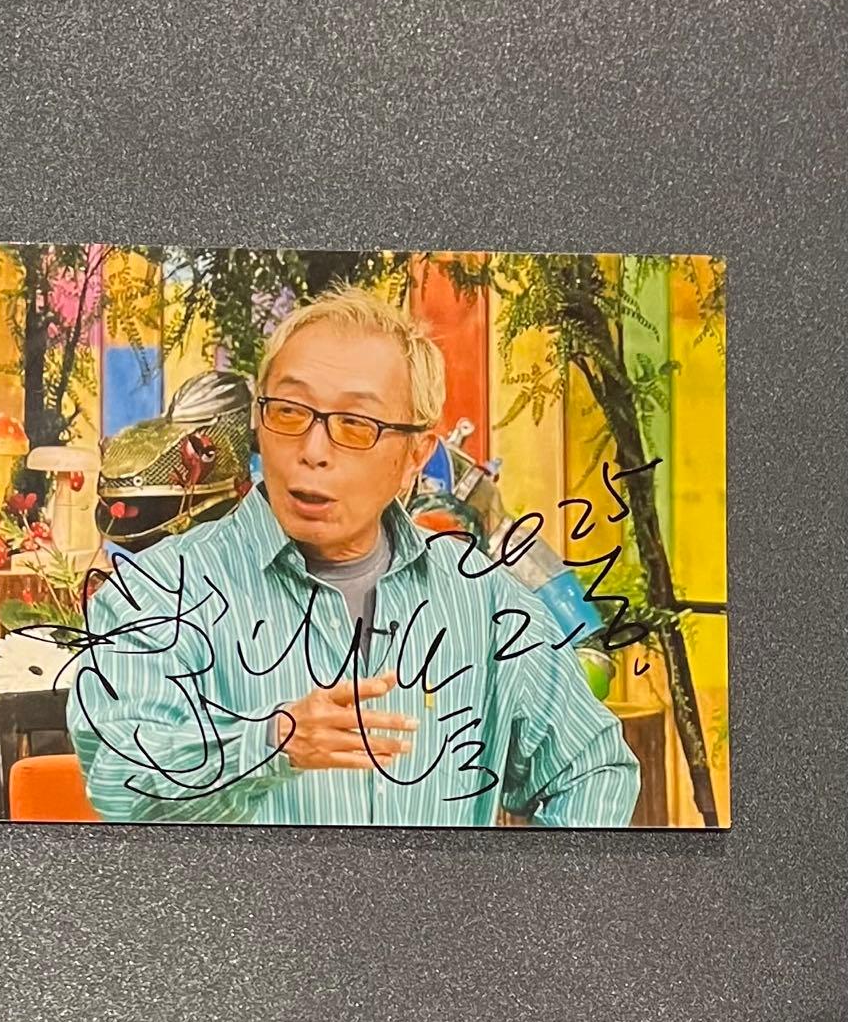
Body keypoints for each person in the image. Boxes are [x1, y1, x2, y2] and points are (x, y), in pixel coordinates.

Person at [67, 284, 641, 827]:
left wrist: (530, 894)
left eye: (355, 424)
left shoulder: (482, 598)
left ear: (415, 454)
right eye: (289, 412)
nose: (313, 451)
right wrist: (269, 746)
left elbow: (594, 767)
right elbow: (120, 782)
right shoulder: (155, 592)